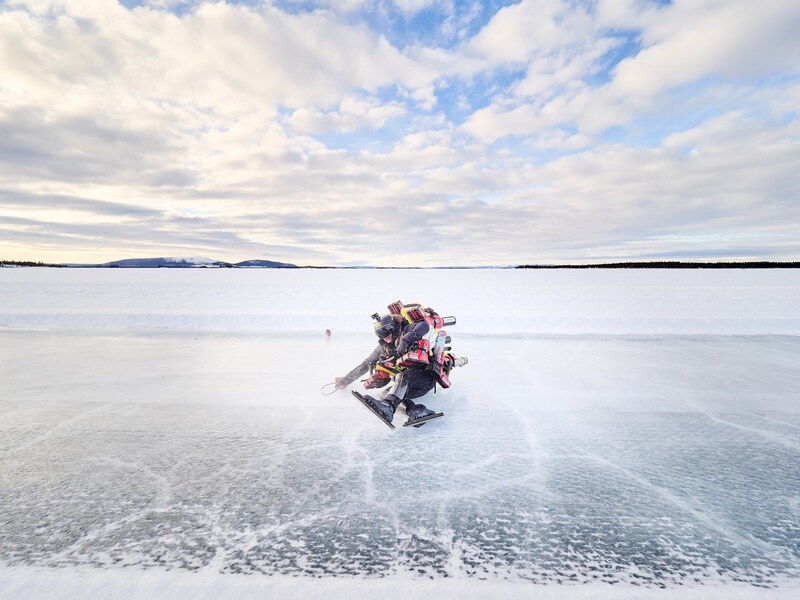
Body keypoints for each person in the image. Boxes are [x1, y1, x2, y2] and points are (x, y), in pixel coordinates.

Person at [335, 306, 466, 427]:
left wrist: (406, 340)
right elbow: (365, 364)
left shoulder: (408, 329)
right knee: (385, 394)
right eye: (382, 337)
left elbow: (425, 326)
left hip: (425, 377)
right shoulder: (383, 347)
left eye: (387, 335)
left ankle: (388, 407)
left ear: (393, 328)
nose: (386, 339)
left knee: (404, 376)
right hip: (409, 384)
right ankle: (418, 410)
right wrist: (346, 380)